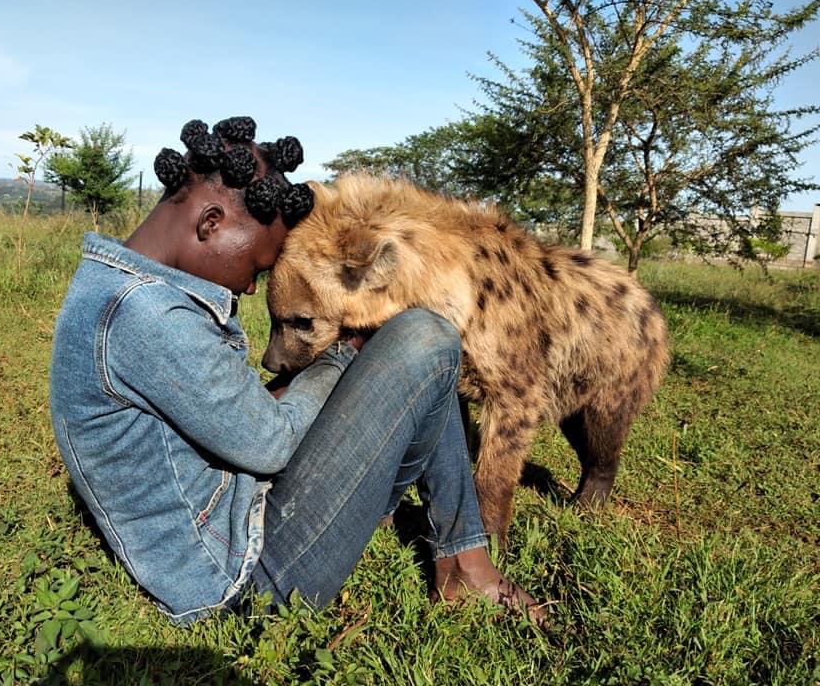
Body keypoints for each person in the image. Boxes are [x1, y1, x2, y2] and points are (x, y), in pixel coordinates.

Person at [48, 116, 546, 627]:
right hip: (243, 580)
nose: (250, 287)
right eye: (257, 266)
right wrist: (342, 355)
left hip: (237, 525)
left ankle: (425, 539)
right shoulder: (145, 315)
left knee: (413, 349)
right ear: (211, 223)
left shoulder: (115, 289)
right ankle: (465, 566)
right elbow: (270, 443)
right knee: (427, 335)